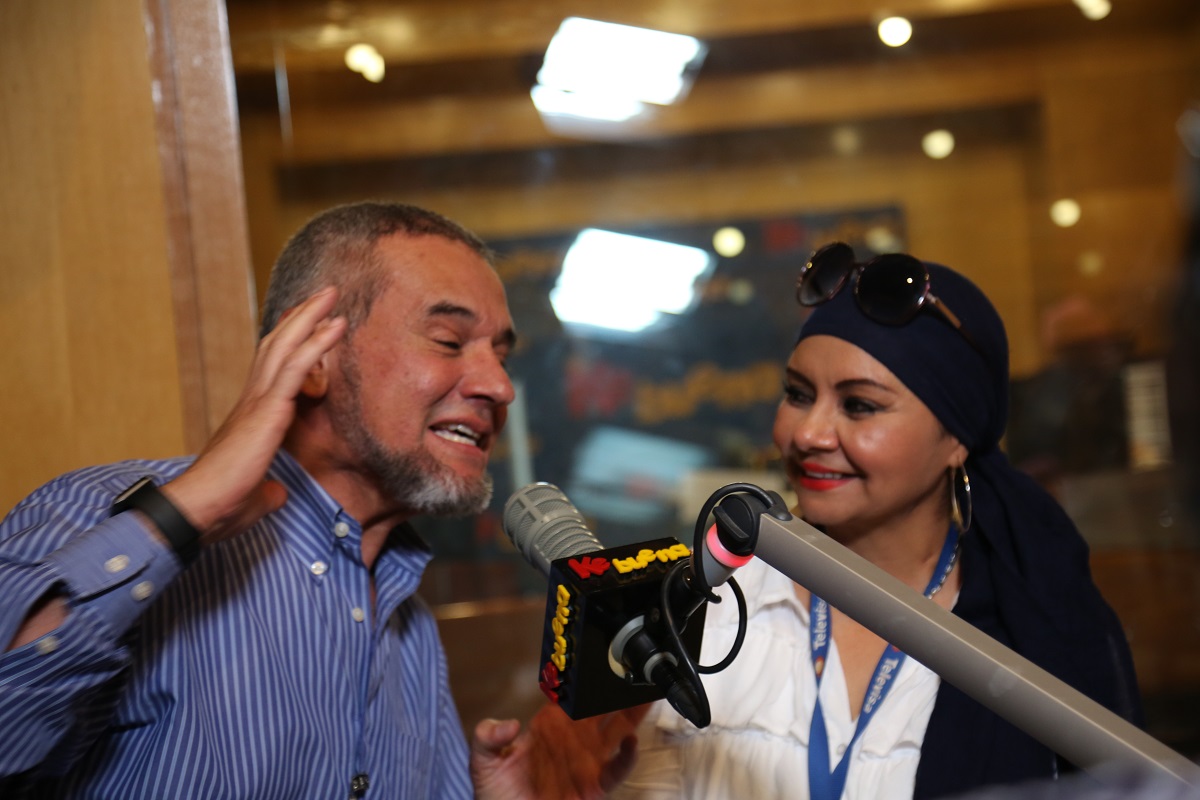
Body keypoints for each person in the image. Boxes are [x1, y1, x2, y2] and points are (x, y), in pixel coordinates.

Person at [0, 201, 645, 799]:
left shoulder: (409, 629)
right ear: (314, 355)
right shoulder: (96, 511)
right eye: (449, 342)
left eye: (500, 357)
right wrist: (180, 517)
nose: (500, 387)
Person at [614, 242, 1142, 799]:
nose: (808, 434)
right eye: (797, 394)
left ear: (956, 437)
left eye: (859, 405)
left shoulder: (1031, 634)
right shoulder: (707, 609)